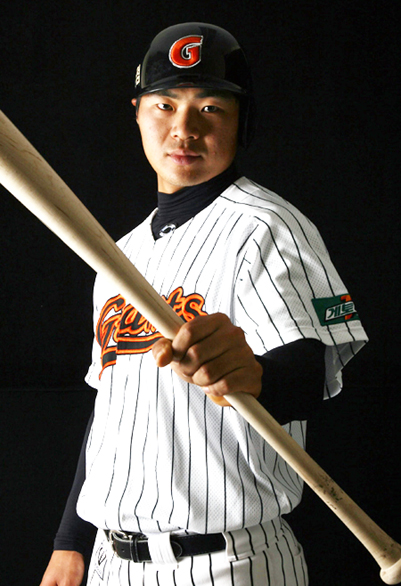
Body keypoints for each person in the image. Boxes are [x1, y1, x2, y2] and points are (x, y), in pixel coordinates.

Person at [40, 22, 368, 586]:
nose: (183, 129)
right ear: (138, 114)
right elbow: (110, 411)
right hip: (110, 561)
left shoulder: (269, 226)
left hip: (228, 562)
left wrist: (256, 374)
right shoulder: (118, 253)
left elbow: (313, 369)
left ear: (243, 122)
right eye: (164, 105)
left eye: (210, 108)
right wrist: (70, 542)